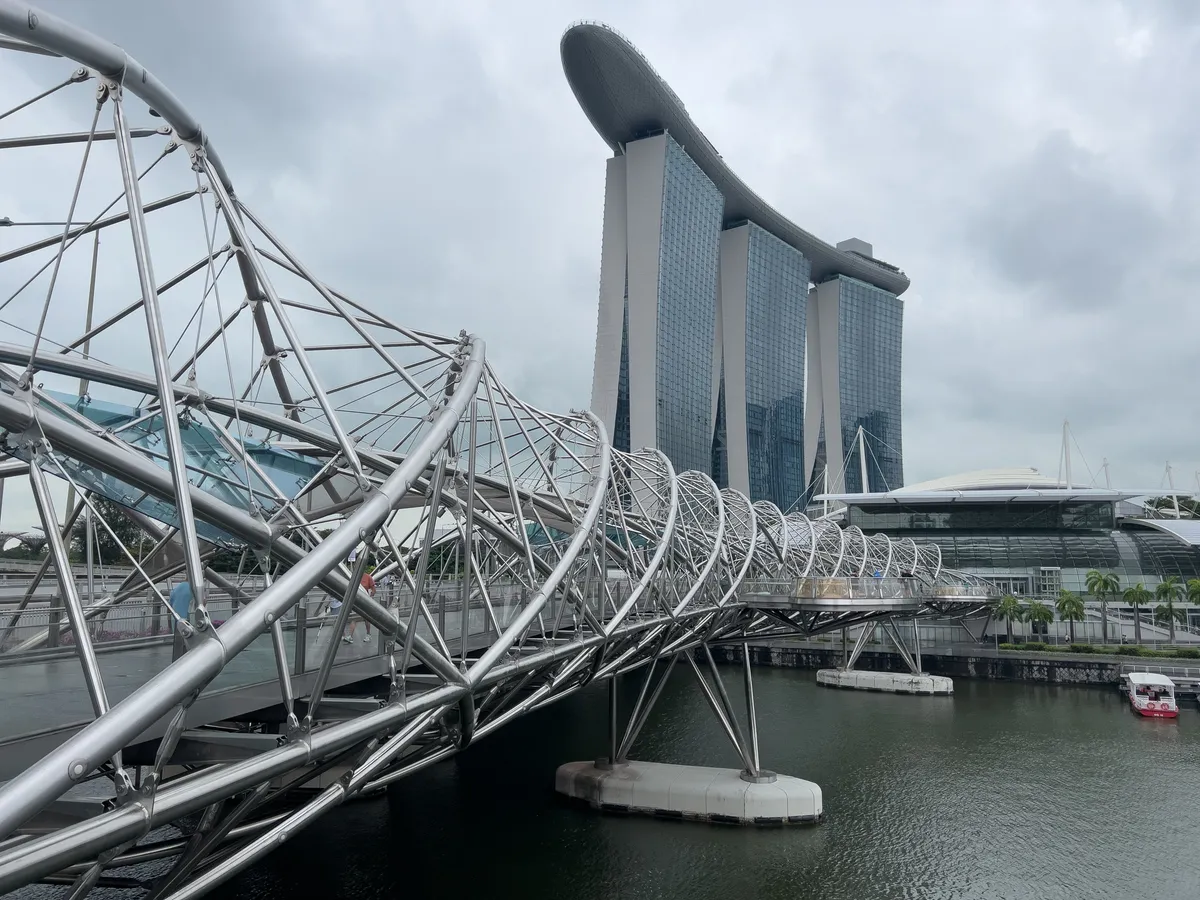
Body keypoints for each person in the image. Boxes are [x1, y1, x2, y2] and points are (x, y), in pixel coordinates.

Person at [345, 569, 376, 644]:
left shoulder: (368, 577)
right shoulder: (354, 577)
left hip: (365, 601)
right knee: (355, 618)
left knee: (365, 619)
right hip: (356, 601)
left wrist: (370, 597)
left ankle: (367, 634)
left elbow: (374, 589)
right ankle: (351, 636)